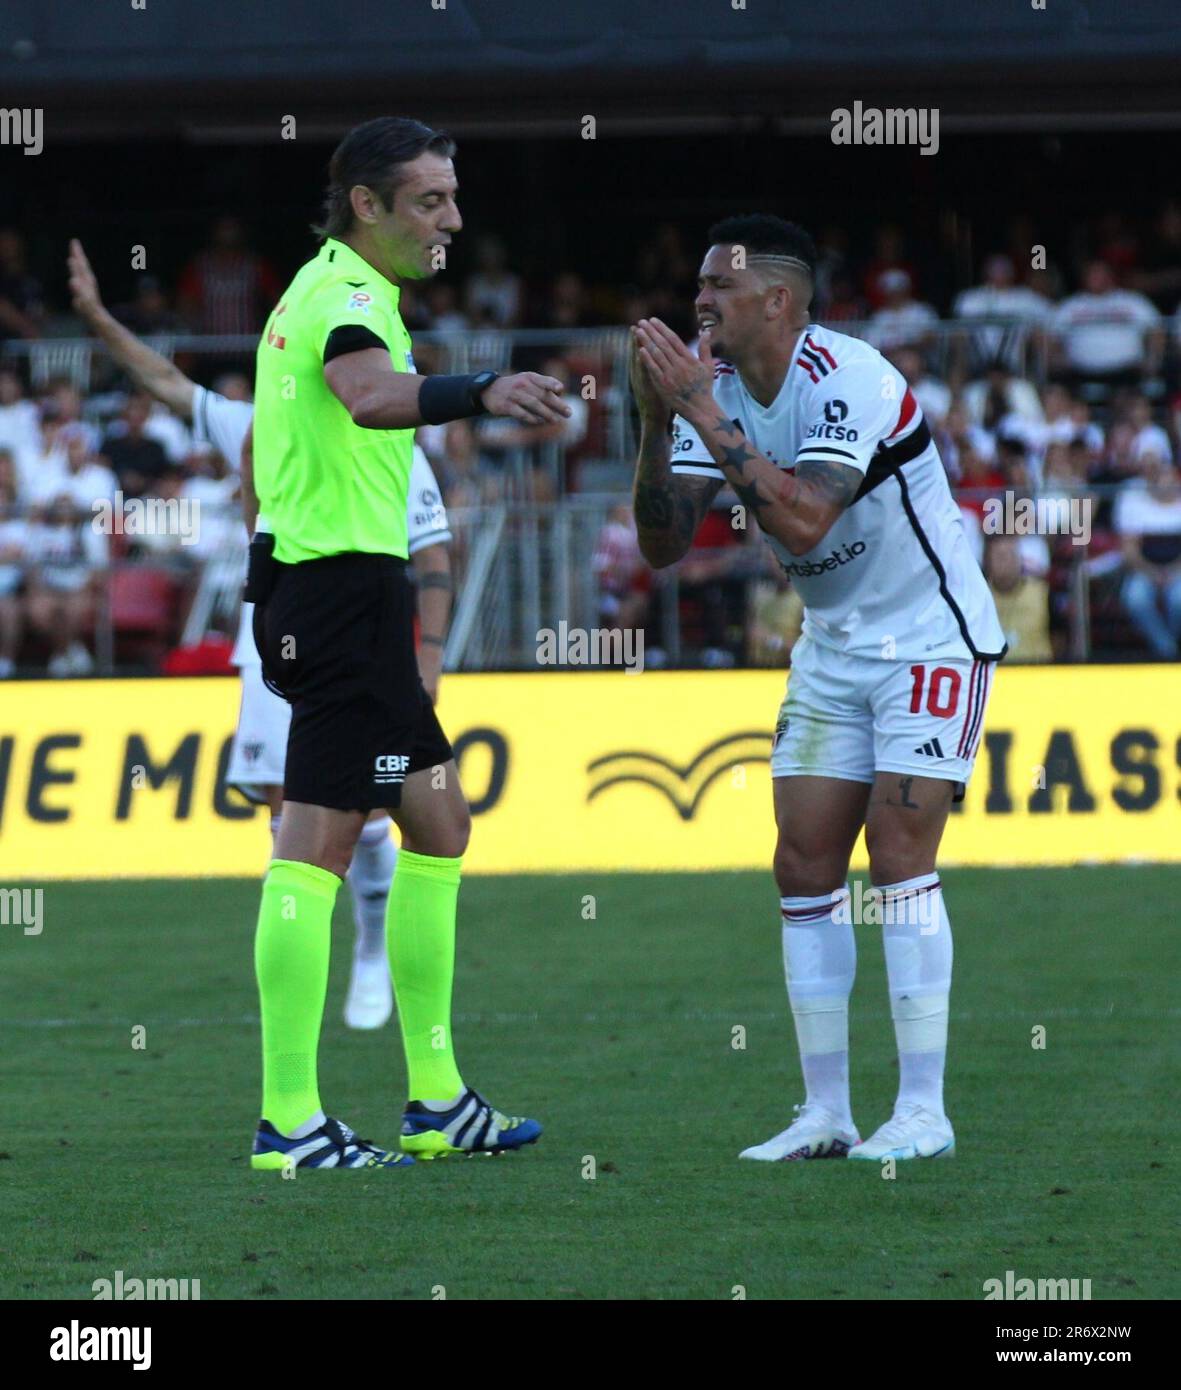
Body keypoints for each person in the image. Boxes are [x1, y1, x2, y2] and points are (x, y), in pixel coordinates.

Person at [632, 214, 1005, 1164]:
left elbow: (801, 523)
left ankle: (923, 1111)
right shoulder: (710, 391)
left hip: (930, 638)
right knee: (802, 868)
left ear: (778, 301)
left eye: (719, 285)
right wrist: (653, 418)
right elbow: (663, 545)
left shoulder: (850, 378)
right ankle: (825, 1113)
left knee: (895, 857)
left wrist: (702, 416)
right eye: (699, 285)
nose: (700, 301)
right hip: (834, 645)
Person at [243, 116, 563, 1170]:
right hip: (336, 602)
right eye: (429, 200)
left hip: (342, 598)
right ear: (367, 204)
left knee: (437, 823)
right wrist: (480, 388)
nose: (451, 220)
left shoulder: (338, 290)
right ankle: (289, 1121)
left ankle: (435, 1102)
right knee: (316, 847)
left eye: (453, 198)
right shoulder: (342, 301)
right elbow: (368, 394)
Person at [66, 236, 452, 1032]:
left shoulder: (384, 440)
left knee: (384, 815)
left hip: (352, 625)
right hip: (274, 630)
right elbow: (166, 381)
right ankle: (302, 1084)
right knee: (290, 816)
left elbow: (435, 557)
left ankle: (370, 949)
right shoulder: (258, 415)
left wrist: (431, 659)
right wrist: (98, 317)